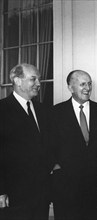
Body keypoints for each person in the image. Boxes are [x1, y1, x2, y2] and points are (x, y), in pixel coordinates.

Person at [50, 70, 97, 220]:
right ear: (70, 87)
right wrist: (55, 166)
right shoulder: (55, 112)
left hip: (94, 185)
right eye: (82, 84)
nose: (87, 88)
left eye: (89, 84)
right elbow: (48, 144)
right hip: (65, 185)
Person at [0, 63, 53, 220]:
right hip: (13, 195)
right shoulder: (2, 109)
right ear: (17, 81)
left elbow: (47, 145)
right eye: (33, 79)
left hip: (41, 194)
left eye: (39, 80)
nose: (38, 84)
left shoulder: (43, 110)